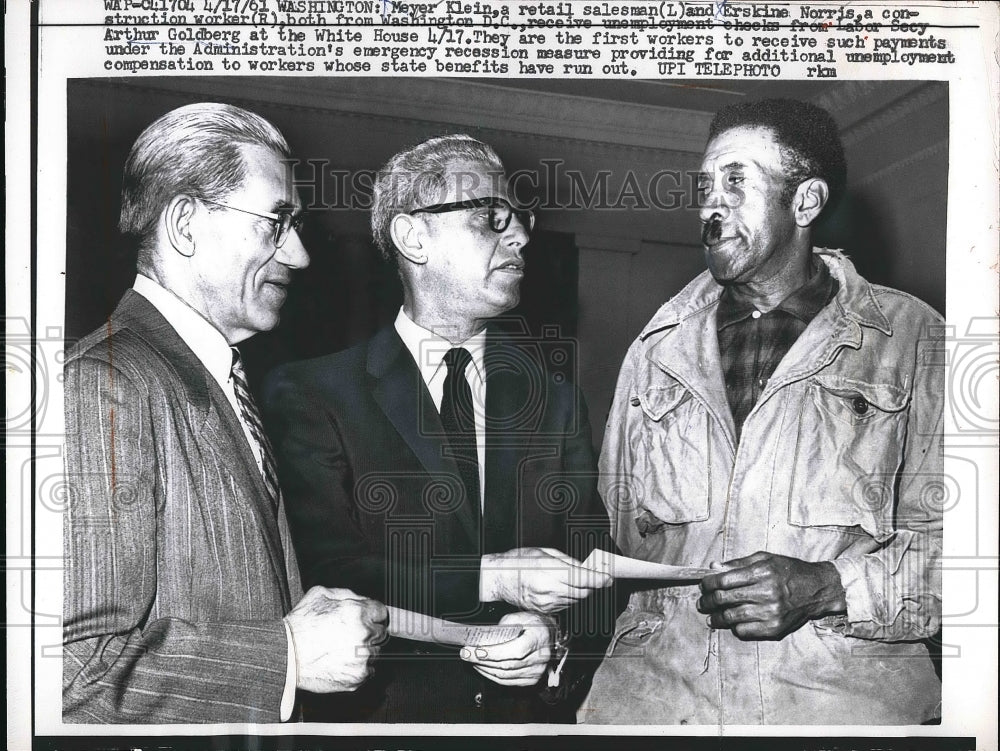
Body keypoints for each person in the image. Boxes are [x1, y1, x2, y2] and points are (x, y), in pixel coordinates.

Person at [580, 98, 943, 725]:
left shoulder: (913, 338)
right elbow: (618, 526)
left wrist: (829, 587)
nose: (710, 206)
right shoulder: (655, 348)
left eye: (735, 182)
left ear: (805, 202)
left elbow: (969, 555)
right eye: (704, 187)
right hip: (656, 709)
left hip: (838, 712)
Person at [262, 134, 613, 722]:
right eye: (490, 216)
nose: (521, 236)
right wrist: (491, 578)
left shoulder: (554, 402)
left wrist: (555, 640)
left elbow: (595, 565)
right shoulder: (312, 394)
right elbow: (324, 572)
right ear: (412, 237)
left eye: (520, 219)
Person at [62, 102, 387, 724]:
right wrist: (287, 654)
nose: (300, 255)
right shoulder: (104, 384)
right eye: (276, 222)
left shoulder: (213, 377)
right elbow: (74, 674)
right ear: (185, 224)